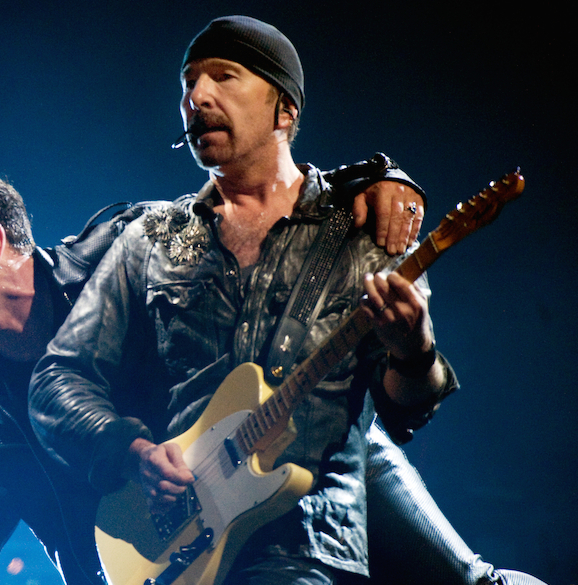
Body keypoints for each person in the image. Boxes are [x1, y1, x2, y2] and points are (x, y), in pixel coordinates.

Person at [28, 16, 545, 585]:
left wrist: (413, 348)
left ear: (285, 110)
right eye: (188, 84)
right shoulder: (151, 238)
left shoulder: (363, 232)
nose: (197, 97)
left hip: (309, 541)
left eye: (223, 77)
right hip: (181, 545)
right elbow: (58, 378)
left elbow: (403, 412)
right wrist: (130, 450)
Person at [0, 159, 448, 585]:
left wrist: (369, 183)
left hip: (296, 467)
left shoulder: (124, 247)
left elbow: (248, 226)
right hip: (170, 569)